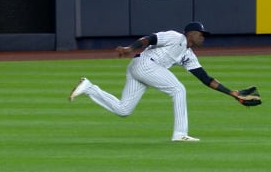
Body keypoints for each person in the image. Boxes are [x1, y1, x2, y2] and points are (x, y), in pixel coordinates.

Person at [69, 22, 250, 142]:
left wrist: (231, 93)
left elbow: (205, 78)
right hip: (145, 64)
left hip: (140, 68)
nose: (203, 37)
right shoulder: (175, 37)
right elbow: (149, 38)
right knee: (178, 90)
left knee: (123, 110)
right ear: (191, 33)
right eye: (201, 34)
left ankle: (89, 88)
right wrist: (128, 48)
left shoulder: (188, 55)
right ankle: (180, 134)